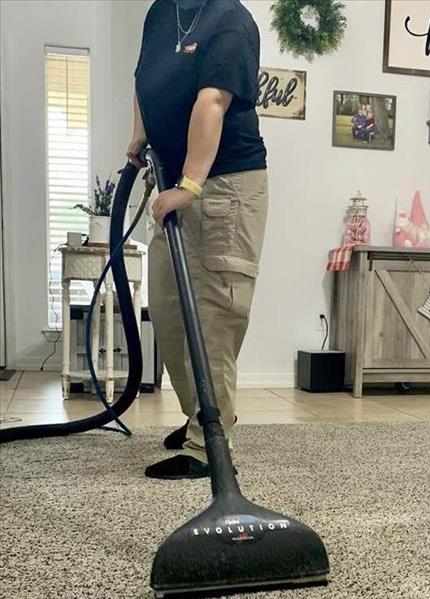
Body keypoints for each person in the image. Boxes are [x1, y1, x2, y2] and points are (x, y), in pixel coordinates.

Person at [127, 0, 268, 480]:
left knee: (213, 316)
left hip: (224, 185)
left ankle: (210, 444)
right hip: (175, 183)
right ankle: (201, 417)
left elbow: (213, 101)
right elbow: (144, 80)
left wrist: (189, 185)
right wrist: (139, 135)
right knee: (168, 312)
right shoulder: (161, 12)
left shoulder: (231, 19)